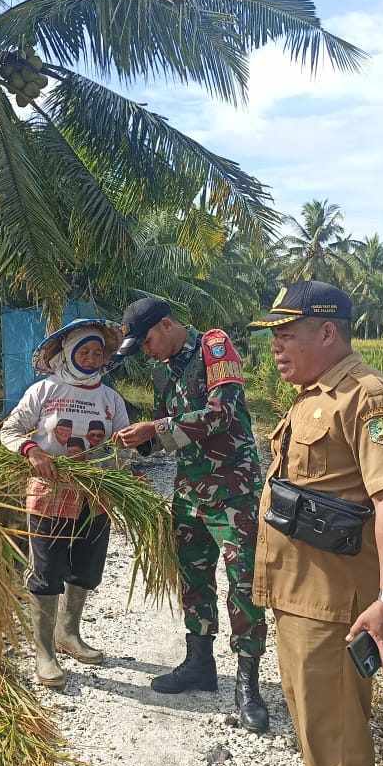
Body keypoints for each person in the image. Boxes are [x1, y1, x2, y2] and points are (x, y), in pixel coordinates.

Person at [247, 281, 383, 766]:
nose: (275, 346)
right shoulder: (314, 391)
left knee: (338, 726)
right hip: (298, 591)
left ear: (327, 331)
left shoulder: (368, 397)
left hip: (332, 602)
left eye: (286, 334)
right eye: (273, 334)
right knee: (309, 709)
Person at [113, 298, 271, 733]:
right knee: (194, 577)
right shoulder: (164, 369)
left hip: (233, 491)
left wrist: (155, 429)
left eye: (146, 341)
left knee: (244, 582)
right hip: (189, 492)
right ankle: (199, 664)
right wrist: (137, 442)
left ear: (166, 325)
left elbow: (219, 413)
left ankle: (247, 685)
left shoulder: (215, 347)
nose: (146, 351)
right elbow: (173, 426)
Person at [1, 319, 131, 687]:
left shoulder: (110, 399)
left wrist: (116, 466)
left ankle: (68, 634)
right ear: (68, 353)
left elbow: (122, 447)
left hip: (95, 497)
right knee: (46, 570)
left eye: (97, 353)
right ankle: (45, 651)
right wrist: (33, 451)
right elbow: (10, 430)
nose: (91, 358)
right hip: (50, 495)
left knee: (87, 568)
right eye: (83, 351)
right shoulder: (44, 390)